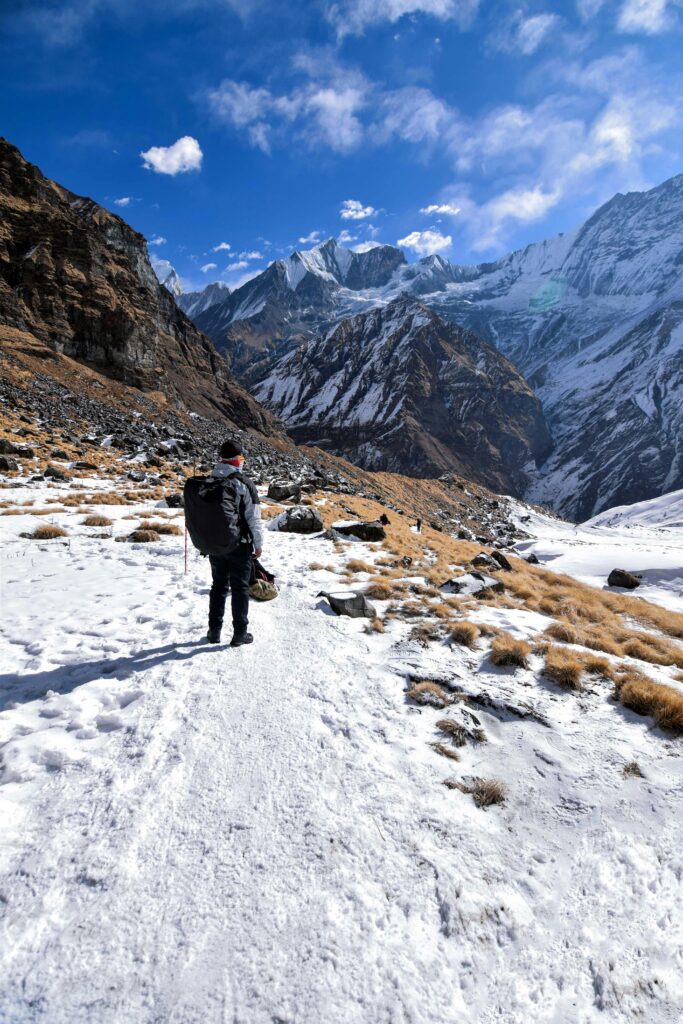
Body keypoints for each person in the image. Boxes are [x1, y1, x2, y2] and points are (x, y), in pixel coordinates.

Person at [206, 439, 263, 647]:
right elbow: (253, 518)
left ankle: (214, 631)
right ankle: (240, 633)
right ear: (237, 460)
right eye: (242, 457)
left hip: (216, 543)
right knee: (239, 587)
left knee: (218, 585)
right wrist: (258, 544)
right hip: (239, 544)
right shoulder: (243, 483)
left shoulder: (210, 479)